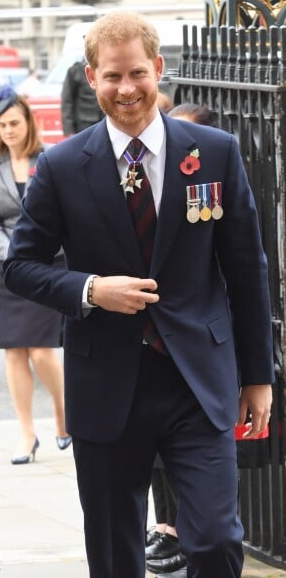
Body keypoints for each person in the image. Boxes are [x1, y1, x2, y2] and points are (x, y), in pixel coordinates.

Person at [3, 11, 273, 578]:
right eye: (111, 77)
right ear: (91, 77)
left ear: (157, 68)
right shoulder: (59, 167)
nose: (125, 90)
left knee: (217, 542)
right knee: (113, 553)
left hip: (197, 381)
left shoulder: (215, 152)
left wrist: (258, 377)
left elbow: (247, 270)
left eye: (136, 74)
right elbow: (21, 268)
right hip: (106, 384)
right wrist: (91, 289)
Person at [0, 85, 70, 465]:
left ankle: (65, 418)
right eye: (2, 126)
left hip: (47, 263)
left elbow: (64, 214)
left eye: (14, 123)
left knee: (42, 351)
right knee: (14, 351)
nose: (9, 132)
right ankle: (26, 433)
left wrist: (34, 252)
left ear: (29, 122)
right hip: (8, 267)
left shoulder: (50, 158)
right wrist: (10, 253)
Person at [144, 101, 217, 578]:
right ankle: (167, 524)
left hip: (198, 345)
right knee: (152, 449)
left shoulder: (216, 170)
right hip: (145, 345)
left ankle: (186, 528)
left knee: (217, 531)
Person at [61, 56, 103, 136]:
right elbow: (67, 101)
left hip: (103, 123)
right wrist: (69, 130)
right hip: (82, 125)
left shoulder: (104, 68)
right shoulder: (75, 71)